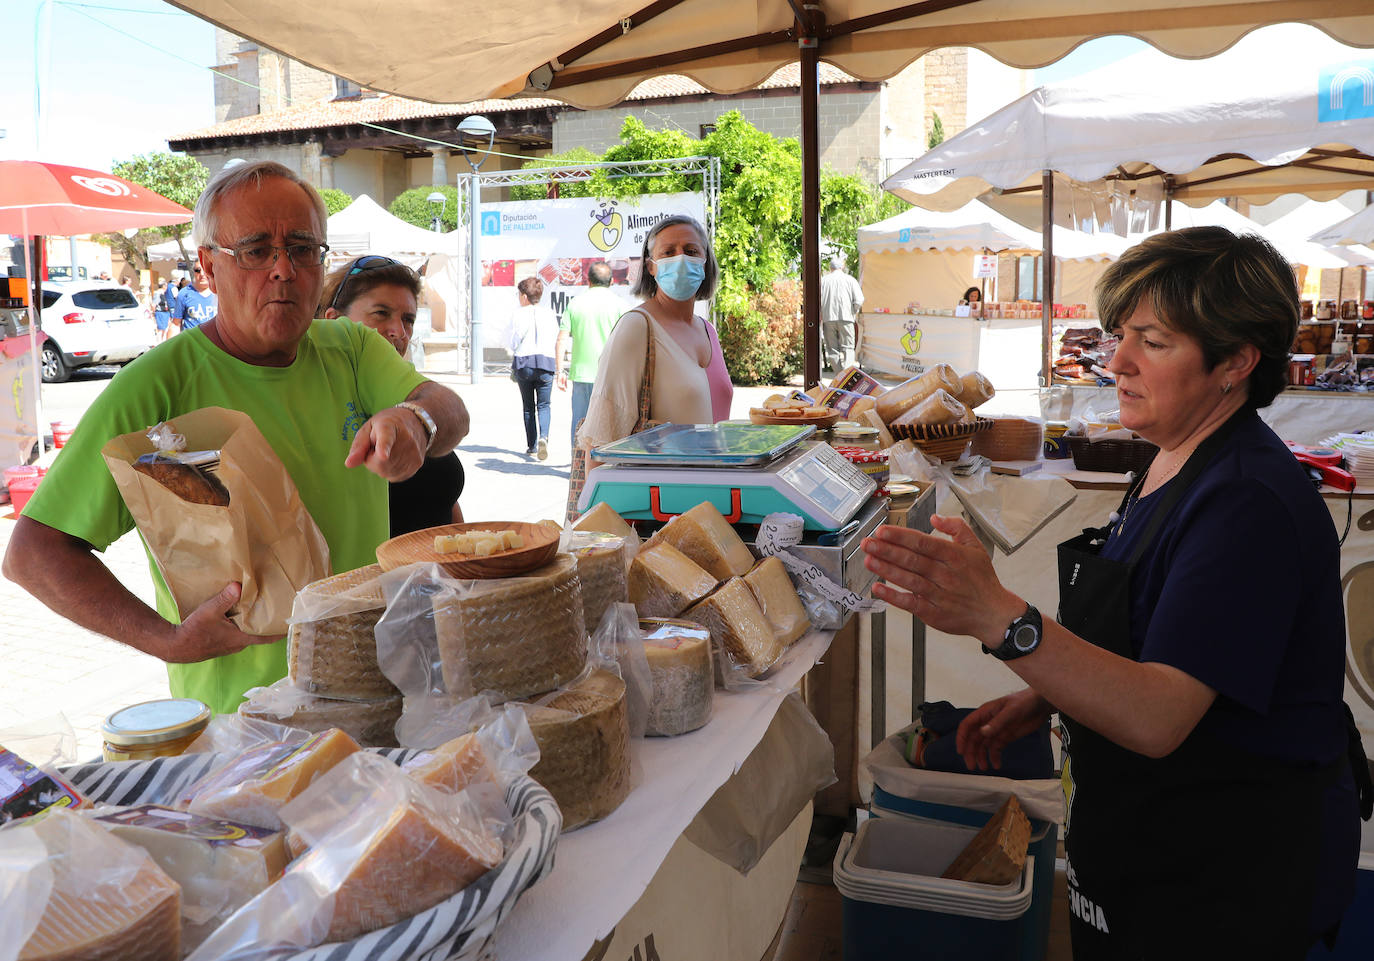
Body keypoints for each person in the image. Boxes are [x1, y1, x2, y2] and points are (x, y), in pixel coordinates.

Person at [861, 227, 1364, 958]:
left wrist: (1002, 617)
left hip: (1220, 881)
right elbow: (1160, 635)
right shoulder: (1172, 459)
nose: (1117, 360)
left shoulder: (1248, 503)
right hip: (1140, 855)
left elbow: (1160, 713)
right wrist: (1048, 693)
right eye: (1121, 334)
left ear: (1234, 362)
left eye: (1152, 341)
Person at [2, 160, 469, 715]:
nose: (283, 270)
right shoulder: (155, 387)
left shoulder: (351, 348)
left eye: (301, 248)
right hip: (243, 724)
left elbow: (449, 408)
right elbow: (35, 553)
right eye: (255, 250)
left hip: (375, 691)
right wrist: (167, 642)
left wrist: (418, 421)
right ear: (207, 267)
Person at [320, 254, 465, 534]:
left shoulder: (415, 395)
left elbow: (446, 499)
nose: (398, 331)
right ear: (333, 322)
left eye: (408, 319)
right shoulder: (322, 401)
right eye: (381, 314)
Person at [577, 214, 731, 450]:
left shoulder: (707, 330)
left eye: (691, 251)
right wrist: (593, 487)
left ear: (705, 262)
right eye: (668, 252)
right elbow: (602, 437)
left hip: (715, 482)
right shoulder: (636, 327)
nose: (680, 258)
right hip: (663, 485)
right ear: (650, 266)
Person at [556, 260, 623, 446]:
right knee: (610, 424)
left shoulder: (575, 304)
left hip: (581, 374)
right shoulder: (620, 305)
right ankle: (604, 466)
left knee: (580, 423)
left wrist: (560, 370)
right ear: (611, 282)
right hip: (611, 375)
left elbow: (562, 338)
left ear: (588, 281)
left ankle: (577, 469)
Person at [507, 276, 560, 460]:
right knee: (544, 405)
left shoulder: (518, 314)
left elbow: (512, 341)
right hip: (546, 363)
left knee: (528, 406)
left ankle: (532, 445)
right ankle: (544, 437)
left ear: (523, 296)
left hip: (524, 363)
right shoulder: (550, 313)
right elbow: (555, 337)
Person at [820, 254, 863, 372]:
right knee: (848, 347)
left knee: (832, 349)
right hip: (847, 318)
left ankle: (839, 375)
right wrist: (853, 312)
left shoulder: (823, 281)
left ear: (830, 268)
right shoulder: (850, 280)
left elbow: (818, 301)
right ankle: (847, 374)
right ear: (842, 267)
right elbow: (859, 299)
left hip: (828, 318)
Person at [173, 263, 217, 331]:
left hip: (214, 340)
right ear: (194, 272)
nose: (202, 274)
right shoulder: (184, 293)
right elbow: (176, 324)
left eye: (205, 269)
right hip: (192, 340)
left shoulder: (220, 293)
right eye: (198, 270)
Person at [153, 275, 175, 341]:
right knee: (160, 330)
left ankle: (163, 341)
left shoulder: (163, 294)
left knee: (165, 329)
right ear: (164, 286)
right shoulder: (158, 293)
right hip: (160, 313)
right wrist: (154, 313)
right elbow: (154, 304)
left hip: (166, 313)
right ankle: (159, 342)